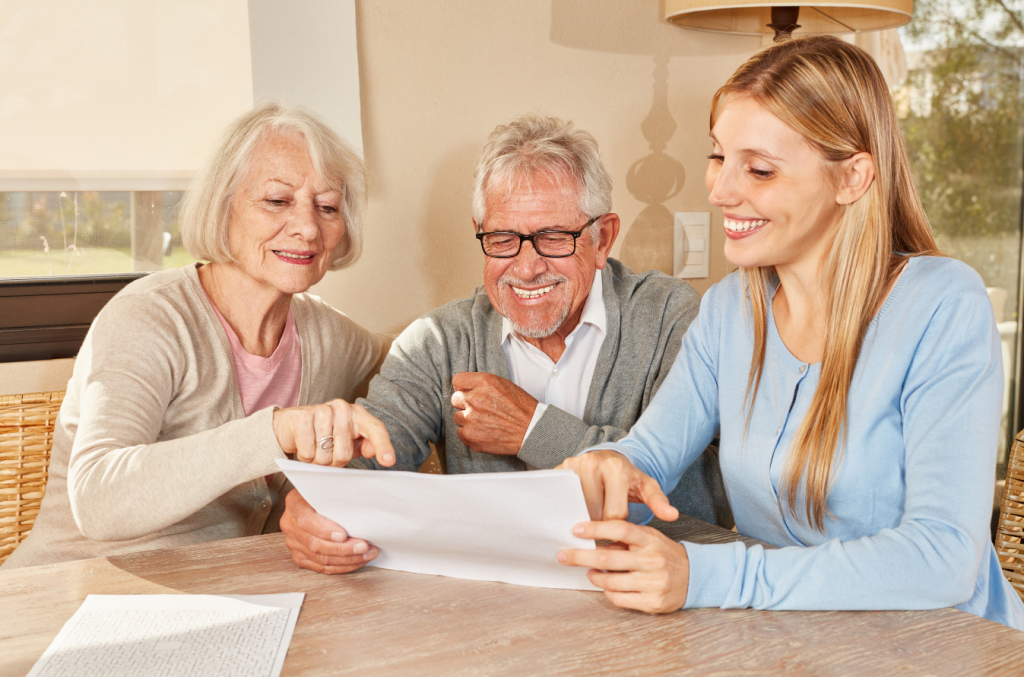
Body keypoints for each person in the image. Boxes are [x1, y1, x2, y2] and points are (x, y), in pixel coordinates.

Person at [556, 35, 1024, 630]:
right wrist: (608, 466)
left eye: (759, 168)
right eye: (719, 156)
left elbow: (943, 558)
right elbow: (647, 455)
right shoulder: (729, 310)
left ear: (852, 177)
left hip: (953, 646)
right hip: (793, 640)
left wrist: (712, 577)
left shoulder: (942, 304)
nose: (721, 190)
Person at [280, 114, 732, 575]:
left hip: (651, 597)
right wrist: (314, 506)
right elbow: (369, 463)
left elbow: (702, 498)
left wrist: (533, 430)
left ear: (603, 239)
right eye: (503, 239)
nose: (527, 268)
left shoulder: (669, 316)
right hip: (494, 608)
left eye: (554, 237)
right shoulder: (439, 341)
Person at [2, 102, 396, 570]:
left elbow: (418, 363)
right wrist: (273, 431)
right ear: (222, 205)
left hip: (223, 598)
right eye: (277, 200)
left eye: (327, 207)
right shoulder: (149, 317)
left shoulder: (330, 337)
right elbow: (97, 498)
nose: (308, 227)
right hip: (71, 596)